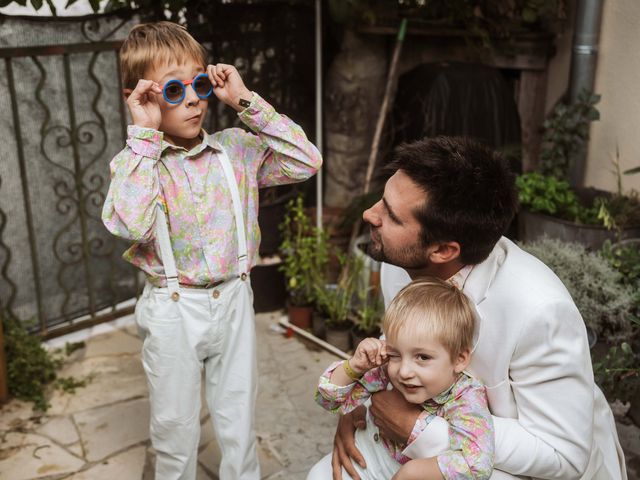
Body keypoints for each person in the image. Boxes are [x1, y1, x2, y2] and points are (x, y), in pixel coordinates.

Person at [327, 137, 626, 480]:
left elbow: (562, 455)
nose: (370, 214)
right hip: (421, 431)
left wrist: (418, 428)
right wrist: (355, 408)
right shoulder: (400, 260)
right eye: (383, 199)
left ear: (442, 251)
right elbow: (398, 344)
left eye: (391, 216)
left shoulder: (541, 311)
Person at [101, 21, 321, 480]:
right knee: (175, 431)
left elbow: (306, 160)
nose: (194, 98)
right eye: (175, 89)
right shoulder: (137, 163)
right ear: (140, 95)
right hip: (172, 308)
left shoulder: (236, 149)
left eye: (199, 83)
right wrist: (142, 134)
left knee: (239, 422)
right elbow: (129, 223)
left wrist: (243, 100)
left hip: (235, 298)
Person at [312, 278, 494, 480]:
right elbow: (328, 401)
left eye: (423, 357)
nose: (404, 371)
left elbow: (477, 465)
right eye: (395, 354)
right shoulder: (384, 371)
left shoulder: (466, 397)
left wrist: (412, 472)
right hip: (368, 460)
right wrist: (353, 367)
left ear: (459, 359)